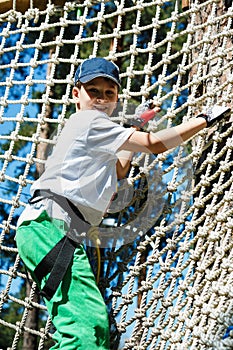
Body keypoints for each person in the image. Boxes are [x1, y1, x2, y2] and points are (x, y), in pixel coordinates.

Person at [15, 57, 230, 349]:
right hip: (51, 226)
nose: (102, 99)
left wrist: (133, 123)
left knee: (93, 329)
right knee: (86, 329)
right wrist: (203, 120)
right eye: (94, 91)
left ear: (116, 98)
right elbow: (154, 144)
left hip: (53, 229)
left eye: (109, 93)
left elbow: (119, 169)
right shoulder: (89, 121)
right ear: (76, 94)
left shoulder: (93, 130)